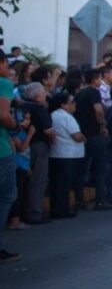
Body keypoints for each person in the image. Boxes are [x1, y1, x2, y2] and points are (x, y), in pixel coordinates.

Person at [75, 69, 112, 210]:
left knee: (82, 169)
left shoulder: (79, 94)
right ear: (96, 78)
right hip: (95, 134)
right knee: (100, 168)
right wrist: (102, 125)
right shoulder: (93, 92)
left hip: (83, 134)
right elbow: (98, 110)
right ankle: (100, 200)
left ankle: (79, 200)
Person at [21, 82, 55, 224]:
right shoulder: (38, 108)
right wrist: (53, 140)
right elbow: (48, 130)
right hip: (38, 145)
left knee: (25, 181)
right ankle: (34, 213)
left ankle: (23, 212)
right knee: (38, 180)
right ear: (38, 96)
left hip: (24, 145)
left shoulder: (22, 105)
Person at [0, 49, 23, 262]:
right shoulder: (4, 83)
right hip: (1, 149)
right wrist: (15, 126)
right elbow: (3, 115)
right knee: (6, 196)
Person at [47, 91, 85, 219]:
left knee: (57, 184)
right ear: (63, 104)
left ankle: (57, 209)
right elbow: (77, 135)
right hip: (68, 155)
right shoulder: (66, 117)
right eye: (72, 102)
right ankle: (62, 210)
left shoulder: (53, 115)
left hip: (57, 154)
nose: (75, 104)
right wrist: (84, 138)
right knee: (64, 185)